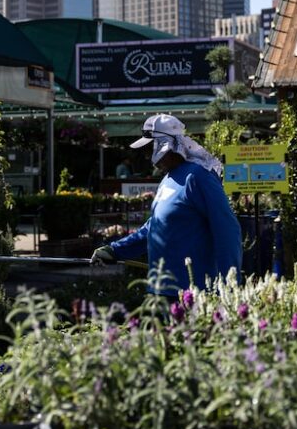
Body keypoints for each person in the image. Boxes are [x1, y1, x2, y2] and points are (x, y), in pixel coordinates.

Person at [92, 114, 241, 294]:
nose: (148, 157)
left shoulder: (198, 177)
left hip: (192, 295)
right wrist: (114, 251)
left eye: (149, 149)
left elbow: (227, 229)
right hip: (160, 291)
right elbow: (154, 227)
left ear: (164, 145)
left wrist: (230, 286)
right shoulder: (167, 179)